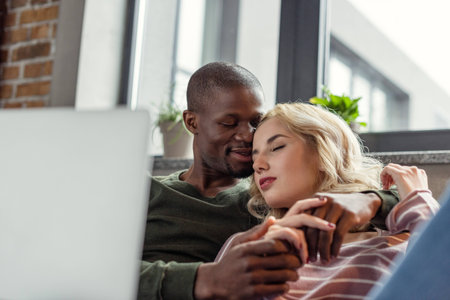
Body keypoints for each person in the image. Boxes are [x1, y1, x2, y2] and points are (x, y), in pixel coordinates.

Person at [138, 62, 400, 299]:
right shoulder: (145, 192)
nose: (247, 135)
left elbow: (400, 207)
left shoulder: (266, 197)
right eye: (229, 123)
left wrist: (372, 200)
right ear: (192, 122)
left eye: (256, 123)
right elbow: (101, 273)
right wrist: (205, 278)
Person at [215, 103, 439, 299]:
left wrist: (417, 196)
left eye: (277, 147)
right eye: (254, 157)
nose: (258, 165)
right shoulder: (248, 246)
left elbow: (440, 278)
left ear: (324, 152)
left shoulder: (396, 238)